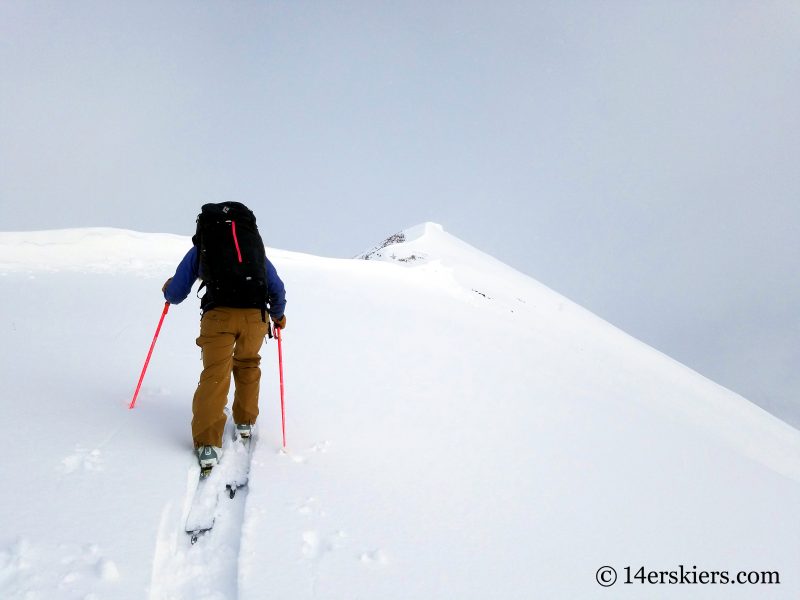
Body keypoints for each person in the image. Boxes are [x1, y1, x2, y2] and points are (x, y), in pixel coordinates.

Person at [162, 202, 286, 470]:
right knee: (248, 364)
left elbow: (176, 292)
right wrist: (278, 315)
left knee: (215, 372)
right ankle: (244, 423)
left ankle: (207, 444)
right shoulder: (256, 252)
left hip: (217, 315)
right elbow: (277, 287)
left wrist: (168, 290)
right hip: (255, 317)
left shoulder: (203, 248)